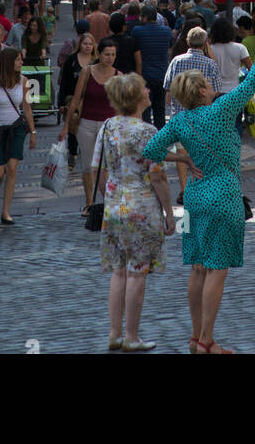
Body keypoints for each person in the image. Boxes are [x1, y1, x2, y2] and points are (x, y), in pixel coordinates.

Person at [144, 23, 255, 354]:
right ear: (202, 92)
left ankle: (195, 337)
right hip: (224, 197)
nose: (212, 85)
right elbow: (252, 80)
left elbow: (150, 150)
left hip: (192, 201)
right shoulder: (221, 110)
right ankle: (207, 341)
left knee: (196, 268)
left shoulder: (178, 121)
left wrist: (183, 157)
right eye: (208, 83)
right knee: (217, 271)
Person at [92, 72, 179, 352]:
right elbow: (157, 176)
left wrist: (113, 193)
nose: (149, 90)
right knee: (137, 273)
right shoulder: (147, 132)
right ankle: (132, 336)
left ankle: (115, 334)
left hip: (114, 207)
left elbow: (98, 168)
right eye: (144, 88)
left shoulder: (108, 126)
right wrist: (169, 212)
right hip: (141, 209)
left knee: (118, 272)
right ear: (137, 96)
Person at [0, 46, 37, 225]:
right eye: (18, 59)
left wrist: (33, 132)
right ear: (9, 62)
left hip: (15, 128)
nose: (21, 62)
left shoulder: (24, 81)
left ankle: (6, 211)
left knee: (11, 168)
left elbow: (26, 108)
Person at [164, 27, 221, 203]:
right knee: (202, 153)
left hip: (180, 114)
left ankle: (184, 190)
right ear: (205, 44)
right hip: (204, 117)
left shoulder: (176, 61)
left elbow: (167, 87)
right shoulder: (210, 64)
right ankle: (202, 187)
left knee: (182, 153)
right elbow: (217, 91)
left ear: (187, 42)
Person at [68, 36, 120, 214]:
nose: (110, 58)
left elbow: (121, 105)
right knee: (89, 165)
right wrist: (65, 126)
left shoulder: (118, 76)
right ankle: (89, 202)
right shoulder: (87, 72)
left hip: (109, 126)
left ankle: (107, 202)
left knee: (106, 166)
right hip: (87, 123)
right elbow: (76, 99)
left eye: (113, 54)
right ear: (100, 54)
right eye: (107, 54)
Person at [59, 26, 96, 172]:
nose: (87, 46)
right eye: (85, 43)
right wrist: (61, 102)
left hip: (91, 100)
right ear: (80, 45)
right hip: (72, 98)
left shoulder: (96, 61)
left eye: (90, 44)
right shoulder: (72, 60)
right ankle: (72, 154)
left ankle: (89, 155)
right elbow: (64, 82)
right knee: (73, 126)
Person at [132, 5, 175, 130]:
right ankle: (159, 138)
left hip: (145, 75)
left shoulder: (137, 31)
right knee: (160, 110)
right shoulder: (167, 32)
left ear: (144, 17)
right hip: (162, 75)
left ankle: (146, 136)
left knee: (145, 109)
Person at [208, 17, 251, 94]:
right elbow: (251, 69)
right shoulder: (240, 48)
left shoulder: (210, 49)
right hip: (235, 91)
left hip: (216, 92)